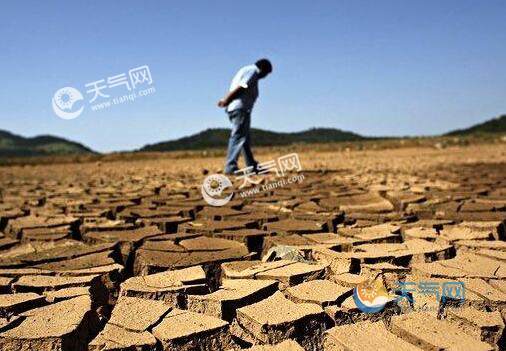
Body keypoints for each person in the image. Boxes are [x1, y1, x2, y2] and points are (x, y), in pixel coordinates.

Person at [217, 58, 273, 175]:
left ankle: (252, 165)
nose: (264, 77)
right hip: (240, 108)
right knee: (238, 137)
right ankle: (230, 167)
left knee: (244, 139)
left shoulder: (247, 70)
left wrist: (227, 100)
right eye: (266, 74)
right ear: (263, 69)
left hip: (237, 108)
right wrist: (226, 100)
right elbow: (242, 86)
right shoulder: (252, 71)